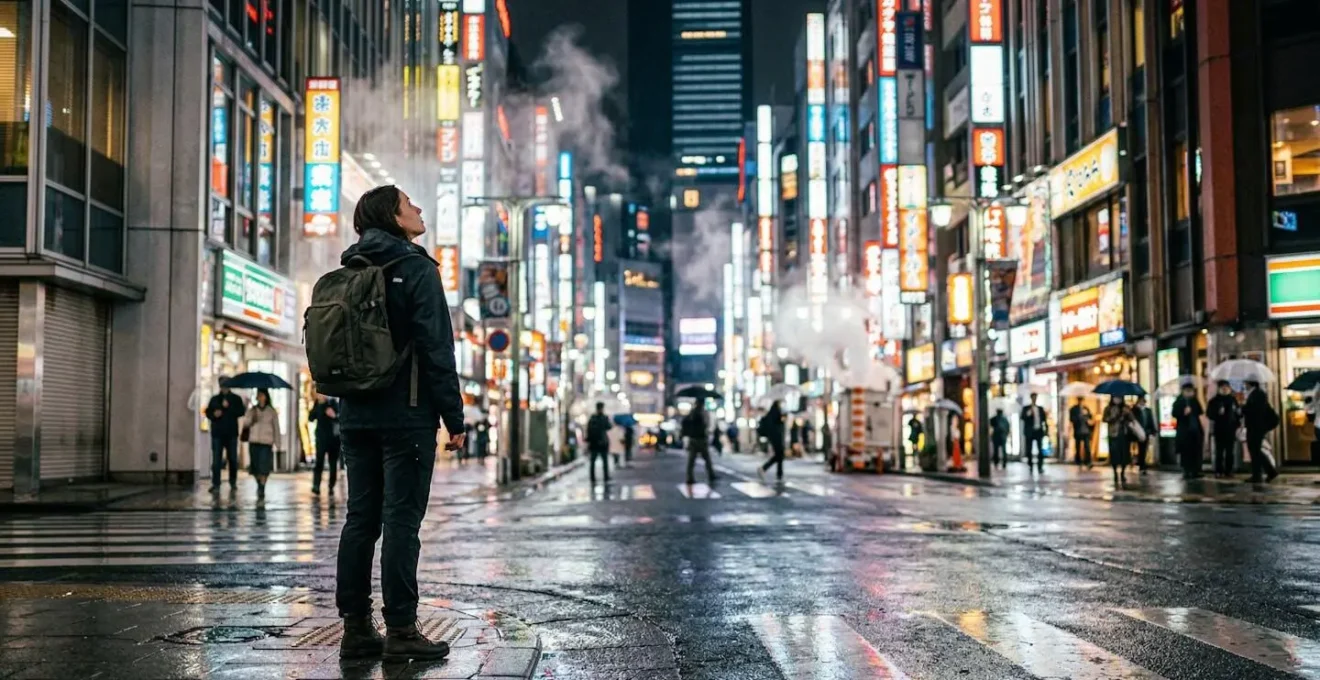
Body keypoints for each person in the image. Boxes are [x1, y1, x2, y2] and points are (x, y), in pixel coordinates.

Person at [333, 186, 466, 662]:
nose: (419, 209)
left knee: (360, 521)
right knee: (402, 522)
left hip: (354, 416)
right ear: (393, 216)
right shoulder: (415, 268)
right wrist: (454, 416)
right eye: (411, 205)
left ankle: (355, 629)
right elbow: (437, 348)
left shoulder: (350, 267)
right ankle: (403, 630)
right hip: (406, 417)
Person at [206, 377, 247, 493]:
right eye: (222, 386)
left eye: (226, 386)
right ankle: (216, 484)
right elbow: (208, 413)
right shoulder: (215, 399)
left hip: (231, 433)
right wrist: (214, 414)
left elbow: (241, 412)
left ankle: (233, 482)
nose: (224, 388)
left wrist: (228, 407)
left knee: (233, 459)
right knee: (216, 460)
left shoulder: (235, 399)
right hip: (217, 433)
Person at [242, 388, 281, 499]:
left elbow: (276, 428)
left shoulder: (271, 411)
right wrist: (251, 418)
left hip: (266, 442)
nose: (260, 397)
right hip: (254, 441)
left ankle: (262, 487)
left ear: (266, 397)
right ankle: (259, 483)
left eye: (262, 395)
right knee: (255, 467)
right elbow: (245, 424)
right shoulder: (252, 410)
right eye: (259, 395)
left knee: (264, 466)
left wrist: (277, 443)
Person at [1241, 379, 1281, 483]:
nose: (1244, 385)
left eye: (1245, 383)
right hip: (1255, 427)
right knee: (1256, 451)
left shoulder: (1258, 394)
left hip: (1257, 427)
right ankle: (1267, 472)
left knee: (1255, 451)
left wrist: (1244, 408)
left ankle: (1259, 475)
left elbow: (1256, 411)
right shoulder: (1254, 394)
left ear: (1250, 383)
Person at [1206, 380, 1242, 478]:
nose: (1225, 389)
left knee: (1230, 452)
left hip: (1231, 429)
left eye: (1227, 387)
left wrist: (1238, 419)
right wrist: (1218, 412)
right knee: (1219, 452)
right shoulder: (1214, 401)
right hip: (1219, 430)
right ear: (1219, 389)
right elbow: (1209, 414)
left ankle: (1229, 470)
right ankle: (1218, 470)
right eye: (1223, 387)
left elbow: (1238, 414)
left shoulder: (1232, 400)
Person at [309, 393, 341, 495]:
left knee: (333, 464)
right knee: (319, 462)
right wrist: (317, 407)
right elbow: (311, 418)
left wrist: (334, 415)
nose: (319, 395)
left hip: (333, 440)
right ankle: (316, 486)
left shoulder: (332, 403)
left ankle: (331, 486)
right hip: (321, 439)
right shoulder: (317, 404)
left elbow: (340, 417)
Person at [1171, 384, 1205, 480]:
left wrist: (1192, 409)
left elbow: (1200, 411)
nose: (1189, 393)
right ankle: (1187, 470)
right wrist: (1183, 412)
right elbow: (1174, 413)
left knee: (1196, 451)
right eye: (1187, 391)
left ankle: (1196, 470)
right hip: (1184, 431)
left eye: (1191, 391)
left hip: (1195, 430)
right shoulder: (1179, 402)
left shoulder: (1194, 401)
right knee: (1186, 452)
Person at [683, 400, 716, 485]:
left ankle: (689, 477)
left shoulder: (692, 413)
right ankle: (711, 475)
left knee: (691, 460)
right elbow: (706, 424)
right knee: (706, 459)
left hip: (693, 439)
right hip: (701, 439)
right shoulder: (702, 413)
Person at [1102, 396, 1133, 485]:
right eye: (1115, 398)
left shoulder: (1126, 408)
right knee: (1114, 454)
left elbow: (1132, 418)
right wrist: (1114, 418)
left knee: (1124, 454)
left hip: (1124, 433)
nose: (1117, 400)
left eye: (1119, 398)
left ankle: (1122, 473)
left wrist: (1127, 414)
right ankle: (1115, 472)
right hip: (1113, 434)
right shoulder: (1108, 408)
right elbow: (1104, 419)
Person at [758, 401, 787, 482]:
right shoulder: (776, 412)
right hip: (776, 436)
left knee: (780, 455)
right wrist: (782, 418)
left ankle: (778, 474)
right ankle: (765, 468)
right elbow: (778, 423)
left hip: (774, 436)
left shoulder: (773, 412)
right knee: (779, 454)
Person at [586, 402, 613, 484]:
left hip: (594, 443)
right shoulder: (604, 418)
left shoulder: (592, 418)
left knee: (593, 461)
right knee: (604, 461)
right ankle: (605, 477)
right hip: (602, 443)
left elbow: (589, 430)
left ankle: (592, 477)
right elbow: (609, 427)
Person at [1021, 393, 1048, 473]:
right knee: (1029, 450)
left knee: (1040, 449)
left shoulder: (1040, 408)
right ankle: (1031, 466)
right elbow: (1022, 417)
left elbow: (1044, 420)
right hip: (1030, 432)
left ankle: (1040, 466)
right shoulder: (1026, 408)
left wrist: (1046, 430)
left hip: (1038, 431)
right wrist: (1029, 413)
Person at [1132, 395, 1158, 474]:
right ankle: (1141, 464)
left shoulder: (1148, 410)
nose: (1142, 402)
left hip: (1146, 432)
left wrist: (1153, 431)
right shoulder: (1135, 410)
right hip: (1138, 432)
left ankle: (1142, 465)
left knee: (1144, 448)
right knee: (1140, 448)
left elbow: (1151, 421)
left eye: (1143, 401)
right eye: (1141, 401)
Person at [1069, 398, 1094, 468]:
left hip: (1086, 431)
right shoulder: (1073, 409)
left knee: (1087, 447)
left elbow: (1090, 417)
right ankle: (1078, 460)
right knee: (1078, 446)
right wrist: (1078, 417)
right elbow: (1071, 419)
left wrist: (1087, 416)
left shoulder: (1086, 408)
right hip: (1078, 430)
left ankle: (1088, 461)